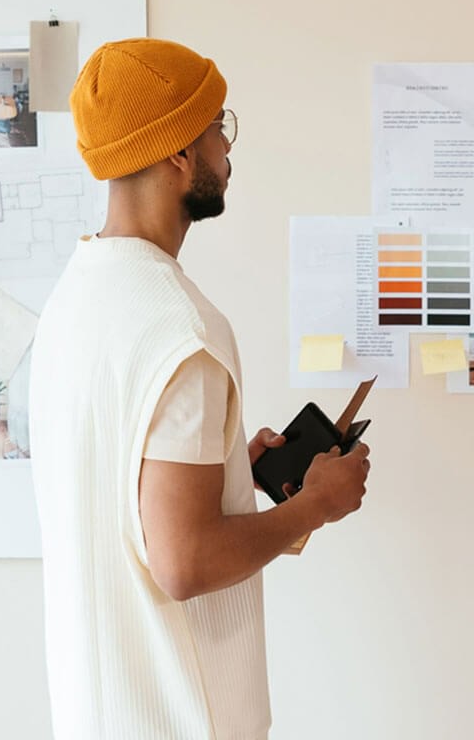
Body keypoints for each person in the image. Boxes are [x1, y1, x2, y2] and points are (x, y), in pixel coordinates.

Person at [29, 38, 372, 740]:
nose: (228, 150)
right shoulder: (179, 329)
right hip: (174, 718)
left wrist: (224, 476)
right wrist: (314, 506)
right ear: (178, 152)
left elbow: (124, 495)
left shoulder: (74, 300)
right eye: (220, 127)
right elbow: (182, 563)